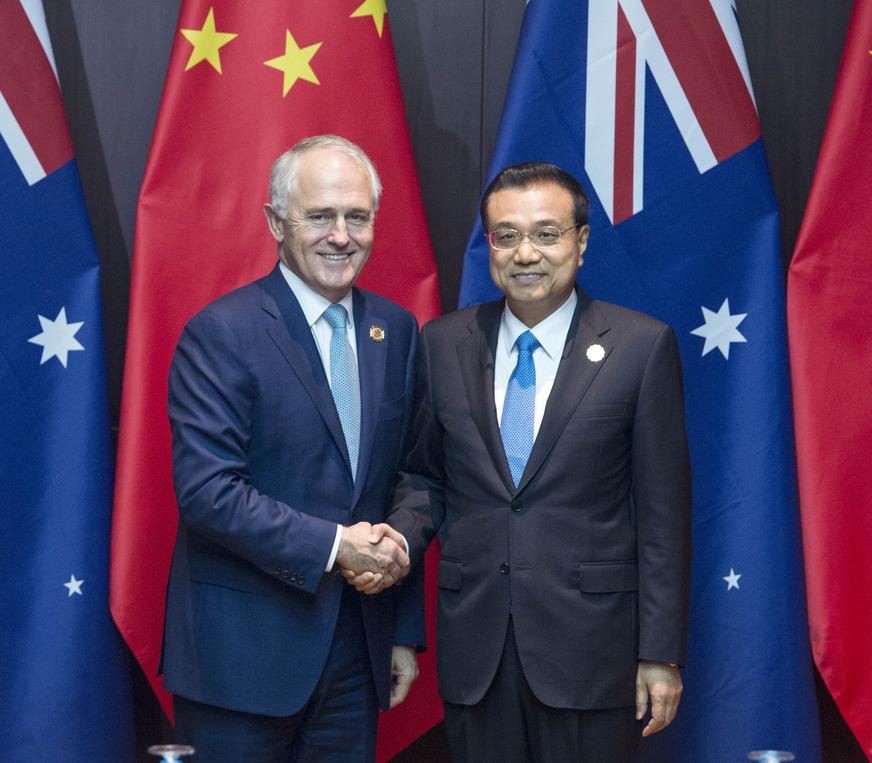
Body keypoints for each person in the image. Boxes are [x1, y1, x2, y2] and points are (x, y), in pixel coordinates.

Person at [352, 162, 691, 761]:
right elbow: (425, 476)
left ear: (580, 242)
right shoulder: (443, 343)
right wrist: (397, 544)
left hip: (592, 651)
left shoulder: (640, 347)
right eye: (506, 235)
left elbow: (664, 513)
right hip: (476, 646)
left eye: (546, 233)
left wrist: (660, 652)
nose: (525, 253)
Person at [161, 134, 421, 762]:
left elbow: (411, 475)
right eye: (320, 216)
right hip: (240, 663)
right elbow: (208, 492)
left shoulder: (396, 330)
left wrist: (401, 629)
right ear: (276, 222)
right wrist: (337, 546)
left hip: (357, 654)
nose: (341, 236)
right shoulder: (222, 332)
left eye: (357, 216)